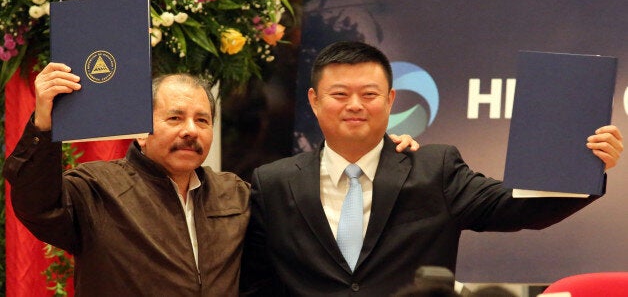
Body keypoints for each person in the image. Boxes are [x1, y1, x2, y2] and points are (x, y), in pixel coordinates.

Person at [239, 41, 624, 296]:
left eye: (369, 94)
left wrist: (584, 167)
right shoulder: (273, 182)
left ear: (390, 100)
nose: (354, 105)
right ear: (314, 100)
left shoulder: (433, 168)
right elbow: (257, 282)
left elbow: (517, 208)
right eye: (340, 94)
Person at [3, 62, 419, 296]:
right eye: (174, 118)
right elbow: (36, 204)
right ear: (140, 130)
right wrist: (43, 123)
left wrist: (380, 154)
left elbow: (313, 215)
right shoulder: (96, 187)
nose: (191, 130)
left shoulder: (234, 193)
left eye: (203, 120)